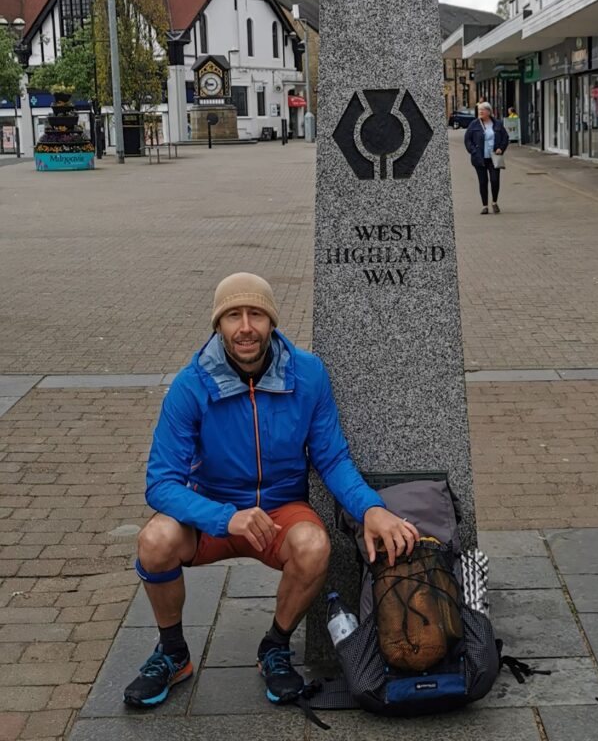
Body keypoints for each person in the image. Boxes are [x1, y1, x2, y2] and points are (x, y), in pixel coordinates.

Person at [123, 273, 418, 709]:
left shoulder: (308, 374)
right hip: (213, 512)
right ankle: (172, 652)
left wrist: (371, 509)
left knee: (315, 545)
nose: (245, 326)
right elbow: (161, 482)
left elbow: (331, 458)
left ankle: (275, 646)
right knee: (155, 540)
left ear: (271, 322)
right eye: (233, 316)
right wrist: (225, 517)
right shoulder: (191, 386)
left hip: (280, 508)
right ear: (218, 326)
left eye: (256, 314)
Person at [464, 101, 509, 214]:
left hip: (494, 158)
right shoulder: (473, 124)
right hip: (479, 158)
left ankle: (494, 202)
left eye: (482, 110)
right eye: (479, 110)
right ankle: (484, 206)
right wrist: (473, 151)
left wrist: (501, 148)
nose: (480, 112)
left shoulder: (497, 124)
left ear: (489, 112)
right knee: (483, 182)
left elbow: (505, 137)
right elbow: (467, 140)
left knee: (494, 180)